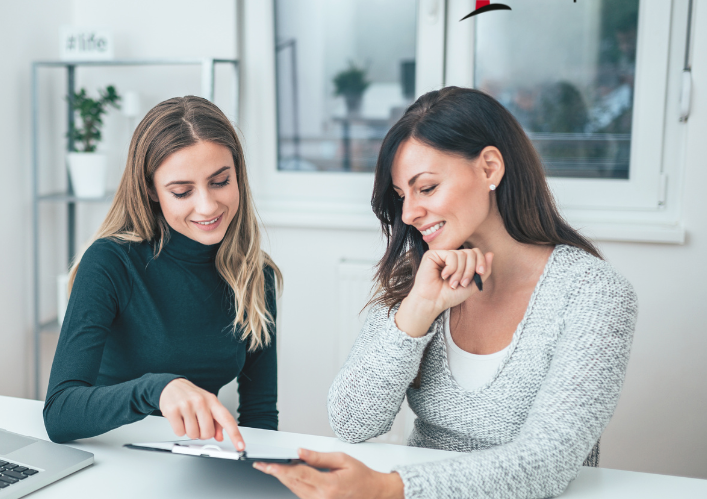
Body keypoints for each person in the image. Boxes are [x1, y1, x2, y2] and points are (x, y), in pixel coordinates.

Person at [255, 87, 637, 499]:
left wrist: (390, 488)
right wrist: (417, 310)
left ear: (489, 168)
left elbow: (548, 462)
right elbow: (351, 421)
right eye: (401, 196)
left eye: (426, 188)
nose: (408, 214)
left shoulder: (594, 293)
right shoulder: (422, 276)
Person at [43, 95, 282, 450]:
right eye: (182, 192)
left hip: (194, 461)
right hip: (110, 455)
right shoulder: (110, 262)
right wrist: (156, 389)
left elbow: (260, 414)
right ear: (151, 191)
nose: (207, 206)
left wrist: (257, 470)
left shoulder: (254, 274)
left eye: (220, 182)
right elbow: (59, 413)